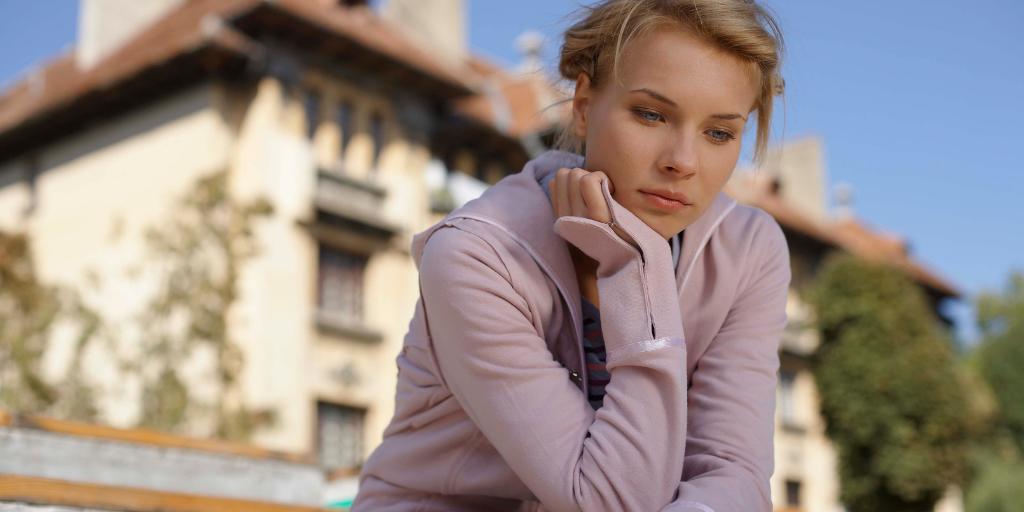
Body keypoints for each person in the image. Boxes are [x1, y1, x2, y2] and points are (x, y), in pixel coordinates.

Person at [350, 0, 788, 510]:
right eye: (650, 114)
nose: (683, 162)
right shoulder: (475, 257)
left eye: (719, 132)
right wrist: (633, 267)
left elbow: (734, 472)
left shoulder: (749, 250)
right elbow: (609, 501)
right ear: (583, 107)